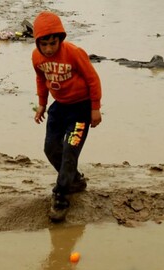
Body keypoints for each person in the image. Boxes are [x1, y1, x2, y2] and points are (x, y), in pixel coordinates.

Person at [31, 11, 102, 221]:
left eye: (53, 43)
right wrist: (42, 105)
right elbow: (40, 79)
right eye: (44, 44)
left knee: (70, 149)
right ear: (37, 43)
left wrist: (95, 108)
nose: (49, 49)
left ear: (60, 39)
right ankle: (75, 180)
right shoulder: (36, 57)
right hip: (58, 108)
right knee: (51, 148)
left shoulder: (73, 52)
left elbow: (93, 79)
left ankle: (61, 194)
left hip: (80, 110)